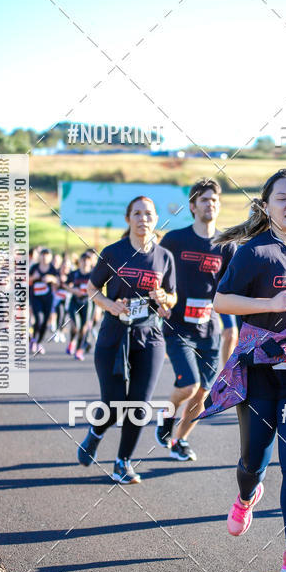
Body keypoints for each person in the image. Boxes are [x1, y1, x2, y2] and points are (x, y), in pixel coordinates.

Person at [200, 169, 286, 572]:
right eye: (282, 198)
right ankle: (246, 496)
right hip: (259, 374)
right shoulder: (253, 252)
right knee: (252, 460)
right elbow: (222, 302)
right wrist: (271, 301)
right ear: (266, 206)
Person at [78, 196, 176, 484]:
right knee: (113, 403)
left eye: (148, 214)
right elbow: (92, 289)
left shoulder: (164, 257)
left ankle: (123, 462)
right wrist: (110, 305)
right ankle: (95, 433)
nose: (143, 218)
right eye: (137, 213)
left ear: (156, 219)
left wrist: (164, 298)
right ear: (128, 219)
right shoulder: (113, 252)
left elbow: (172, 297)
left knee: (138, 404)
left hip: (150, 336)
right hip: (114, 335)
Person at [156, 178, 235, 461]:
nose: (210, 204)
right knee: (188, 384)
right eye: (204, 200)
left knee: (204, 391)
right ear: (192, 206)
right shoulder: (175, 240)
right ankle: (166, 416)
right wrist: (160, 301)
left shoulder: (227, 245)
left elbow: (230, 287)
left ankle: (180, 440)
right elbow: (156, 274)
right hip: (177, 325)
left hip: (209, 329)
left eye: (214, 200)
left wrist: (231, 327)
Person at [29, 248, 59, 354]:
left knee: (45, 322)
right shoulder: (34, 267)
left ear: (50, 257)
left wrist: (52, 279)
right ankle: (33, 339)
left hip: (48, 299)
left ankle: (38, 342)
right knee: (39, 319)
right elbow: (26, 280)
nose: (45, 257)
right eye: (43, 255)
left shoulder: (52, 269)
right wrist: (34, 277)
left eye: (47, 255)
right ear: (40, 256)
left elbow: (58, 283)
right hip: (36, 297)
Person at [66, 252, 95, 360]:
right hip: (75, 301)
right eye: (84, 260)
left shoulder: (93, 274)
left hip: (88, 303)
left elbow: (99, 288)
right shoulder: (74, 273)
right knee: (75, 326)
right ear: (80, 261)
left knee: (83, 328)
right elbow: (64, 284)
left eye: (88, 260)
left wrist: (90, 292)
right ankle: (72, 342)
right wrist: (74, 290)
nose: (86, 262)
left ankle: (79, 350)